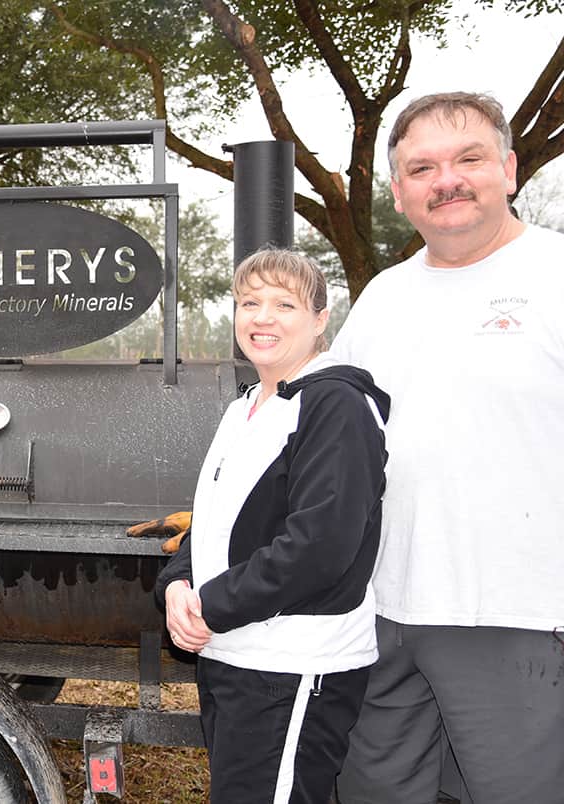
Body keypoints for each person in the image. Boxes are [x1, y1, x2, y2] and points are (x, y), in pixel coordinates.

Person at [333, 92, 564, 803]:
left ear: (510, 168)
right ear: (400, 192)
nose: (447, 181)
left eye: (468, 159)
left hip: (518, 617)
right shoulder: (382, 297)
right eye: (422, 167)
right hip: (382, 614)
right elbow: (321, 437)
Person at [157, 249, 389, 804]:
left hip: (293, 667)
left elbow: (320, 547)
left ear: (319, 319)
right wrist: (175, 587)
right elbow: (212, 522)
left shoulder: (337, 404)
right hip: (234, 657)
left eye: (284, 304)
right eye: (249, 302)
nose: (263, 317)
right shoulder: (245, 408)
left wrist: (210, 606)